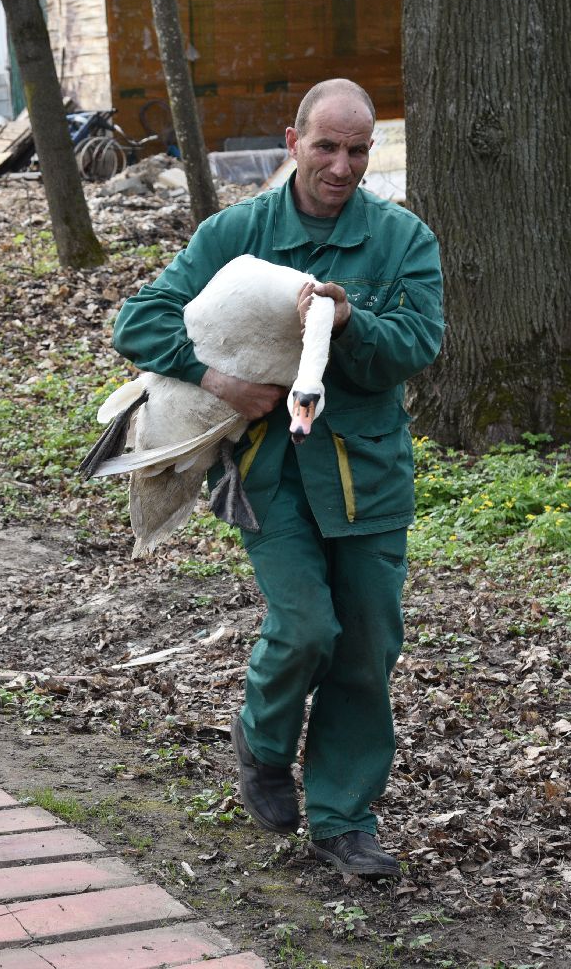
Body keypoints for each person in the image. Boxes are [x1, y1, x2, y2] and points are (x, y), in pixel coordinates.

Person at [112, 79, 445, 879]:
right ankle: (262, 741)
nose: (341, 165)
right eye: (325, 146)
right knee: (306, 629)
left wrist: (351, 319)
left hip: (366, 475)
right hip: (270, 472)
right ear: (293, 142)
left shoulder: (401, 240)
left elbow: (420, 340)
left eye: (357, 149)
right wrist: (219, 380)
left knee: (364, 650)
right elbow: (141, 318)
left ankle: (344, 819)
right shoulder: (240, 231)